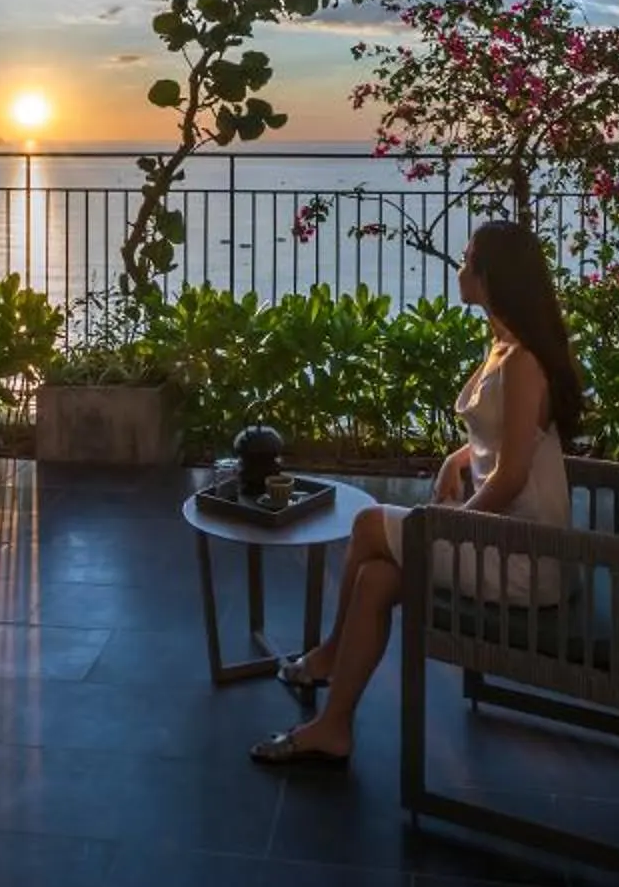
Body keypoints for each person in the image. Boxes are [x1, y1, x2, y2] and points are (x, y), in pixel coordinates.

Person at [250, 219, 584, 768]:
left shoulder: (524, 362)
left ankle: (330, 655)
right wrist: (458, 458)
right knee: (378, 579)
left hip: (525, 557)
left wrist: (451, 523)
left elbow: (513, 475)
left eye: (468, 257)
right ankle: (334, 726)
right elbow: (502, 440)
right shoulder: (505, 347)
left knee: (366, 525)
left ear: (489, 276)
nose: (460, 266)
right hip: (501, 540)